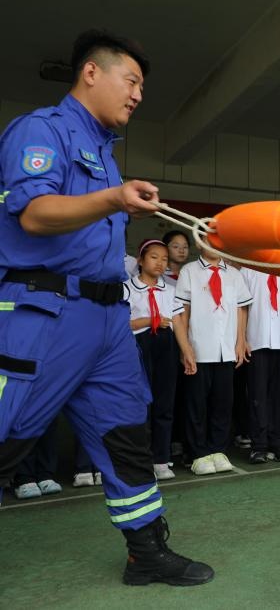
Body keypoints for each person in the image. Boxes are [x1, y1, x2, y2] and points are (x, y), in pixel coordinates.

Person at [0, 29, 212, 585]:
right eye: (132, 80)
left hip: (106, 323)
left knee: (125, 435)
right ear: (91, 73)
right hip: (45, 314)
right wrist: (114, 199)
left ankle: (146, 552)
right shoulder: (41, 130)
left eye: (142, 85)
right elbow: (35, 213)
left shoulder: (104, 155)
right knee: (7, 433)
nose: (139, 94)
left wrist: (116, 199)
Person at [175, 247, 251, 473]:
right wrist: (186, 346)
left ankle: (218, 450)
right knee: (197, 404)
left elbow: (241, 309)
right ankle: (198, 454)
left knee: (223, 403)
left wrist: (240, 341)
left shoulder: (234, 275)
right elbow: (182, 310)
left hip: (225, 349)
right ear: (199, 243)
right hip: (199, 348)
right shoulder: (189, 271)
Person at [124, 239, 184, 480]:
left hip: (165, 346)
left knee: (164, 403)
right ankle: (140, 458)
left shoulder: (169, 290)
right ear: (140, 260)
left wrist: (186, 351)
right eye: (154, 257)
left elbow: (178, 322)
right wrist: (150, 320)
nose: (160, 263)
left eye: (164, 259)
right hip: (139, 346)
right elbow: (123, 324)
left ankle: (160, 459)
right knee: (141, 404)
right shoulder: (127, 289)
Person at [241, 267, 280, 462]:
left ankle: (278, 443)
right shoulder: (248, 270)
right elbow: (242, 307)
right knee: (258, 395)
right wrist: (242, 338)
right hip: (257, 340)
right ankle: (258, 446)